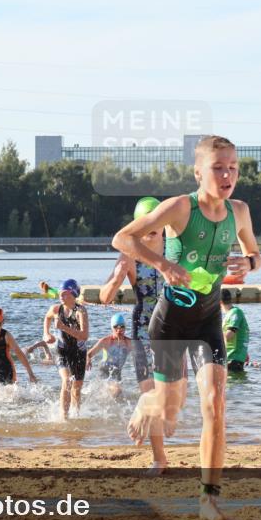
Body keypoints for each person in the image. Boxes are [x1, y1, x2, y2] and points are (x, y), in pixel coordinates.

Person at [112, 135, 261, 520]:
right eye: (218, 167)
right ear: (199, 172)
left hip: (209, 321)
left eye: (232, 167)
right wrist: (163, 265)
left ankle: (208, 500)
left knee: (216, 403)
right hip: (171, 323)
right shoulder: (180, 207)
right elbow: (122, 238)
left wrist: (250, 265)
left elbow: (255, 253)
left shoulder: (240, 211)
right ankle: (147, 401)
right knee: (169, 411)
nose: (227, 174)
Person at [99, 196, 171, 473]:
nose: (153, 229)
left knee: (170, 395)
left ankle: (155, 433)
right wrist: (117, 279)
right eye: (147, 224)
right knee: (149, 390)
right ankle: (159, 458)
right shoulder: (129, 254)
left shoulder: (174, 248)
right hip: (143, 329)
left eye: (157, 223)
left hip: (172, 327)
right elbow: (105, 297)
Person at [43, 279, 90, 420]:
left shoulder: (80, 311)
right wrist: (46, 334)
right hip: (62, 350)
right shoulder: (56, 309)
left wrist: (64, 328)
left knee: (76, 387)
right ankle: (63, 417)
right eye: (60, 294)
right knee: (67, 380)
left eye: (64, 294)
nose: (60, 297)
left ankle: (75, 416)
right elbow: (47, 317)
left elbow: (84, 335)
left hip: (79, 352)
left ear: (73, 294)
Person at [86, 313, 133, 398]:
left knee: (119, 395)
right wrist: (88, 360)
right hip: (104, 371)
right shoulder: (105, 341)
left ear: (125, 327)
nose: (119, 330)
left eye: (122, 326)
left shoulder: (129, 343)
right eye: (116, 327)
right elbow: (88, 354)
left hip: (117, 372)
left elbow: (142, 354)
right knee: (117, 390)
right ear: (112, 328)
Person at [220, 289, 249, 374]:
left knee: (231, 385)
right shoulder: (231, 313)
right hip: (231, 357)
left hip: (233, 358)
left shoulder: (235, 312)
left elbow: (228, 336)